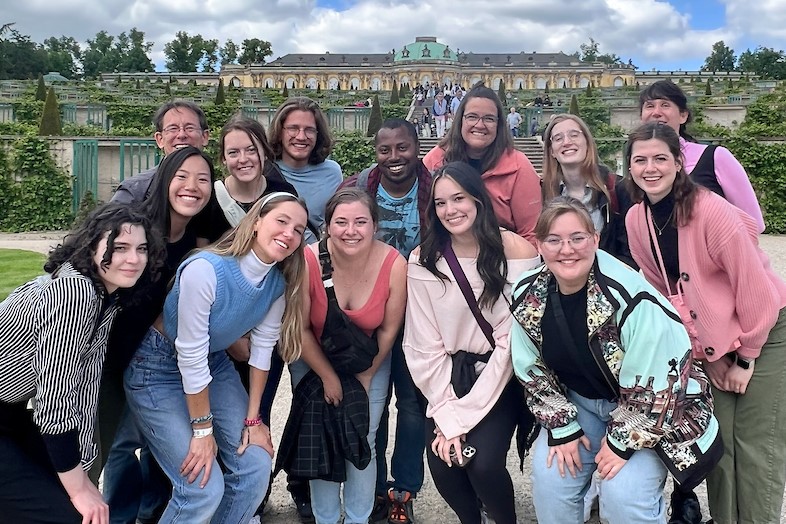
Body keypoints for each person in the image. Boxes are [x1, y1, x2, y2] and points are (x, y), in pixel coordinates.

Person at [509, 196, 721, 524]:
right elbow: (530, 367)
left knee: (624, 495)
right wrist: (561, 426)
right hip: (581, 404)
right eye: (554, 239)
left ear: (595, 239)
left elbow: (659, 380)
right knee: (551, 480)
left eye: (577, 238)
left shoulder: (632, 297)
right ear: (539, 244)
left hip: (650, 413)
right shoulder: (527, 293)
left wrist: (621, 441)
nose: (566, 249)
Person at [624, 122, 786, 524]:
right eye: (640, 160)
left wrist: (745, 359)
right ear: (628, 168)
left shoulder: (711, 210)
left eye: (661, 158)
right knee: (721, 448)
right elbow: (667, 295)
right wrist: (705, 353)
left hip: (764, 331)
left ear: (679, 163)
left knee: (755, 448)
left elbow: (756, 293)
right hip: (715, 339)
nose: (650, 168)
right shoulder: (636, 219)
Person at [124, 192, 309, 523]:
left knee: (254, 466)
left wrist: (254, 421)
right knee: (201, 486)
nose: (289, 234)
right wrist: (202, 431)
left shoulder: (277, 286)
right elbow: (190, 354)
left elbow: (263, 350)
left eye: (299, 229)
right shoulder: (205, 269)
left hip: (212, 362)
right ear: (255, 223)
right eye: (282, 221)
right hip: (156, 367)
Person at [0, 203, 165, 524]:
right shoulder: (75, 293)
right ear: (92, 247)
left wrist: (84, 469)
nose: (134, 259)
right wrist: (79, 490)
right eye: (119, 247)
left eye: (142, 248)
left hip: (10, 414)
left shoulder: (105, 296)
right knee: (64, 513)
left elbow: (85, 388)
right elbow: (54, 402)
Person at [403, 162, 539, 524]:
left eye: (459, 198)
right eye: (441, 203)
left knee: (482, 462)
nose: (451, 210)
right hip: (450, 376)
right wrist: (447, 412)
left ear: (478, 199)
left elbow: (512, 342)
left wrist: (461, 419)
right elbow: (421, 344)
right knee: (444, 464)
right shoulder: (424, 259)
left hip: (502, 376)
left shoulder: (518, 252)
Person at [277, 187, 407, 524]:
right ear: (328, 226)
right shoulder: (307, 259)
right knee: (321, 433)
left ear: (374, 225)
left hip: (369, 357)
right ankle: (325, 517)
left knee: (362, 436)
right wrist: (330, 378)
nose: (351, 231)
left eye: (361, 222)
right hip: (315, 355)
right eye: (342, 222)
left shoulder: (394, 264)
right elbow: (300, 327)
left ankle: (358, 517)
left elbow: (388, 330)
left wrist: (365, 377)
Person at [101, 146, 216, 524]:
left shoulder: (196, 234)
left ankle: (151, 513)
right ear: (165, 179)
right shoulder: (135, 228)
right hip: (107, 356)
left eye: (202, 179)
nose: (192, 187)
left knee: (153, 445)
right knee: (113, 447)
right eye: (182, 177)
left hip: (153, 359)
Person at [340, 119, 432, 524]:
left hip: (420, 317)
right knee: (372, 405)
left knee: (412, 405)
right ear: (375, 152)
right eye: (385, 149)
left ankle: (404, 488)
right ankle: (374, 488)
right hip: (372, 318)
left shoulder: (434, 190)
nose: (394, 157)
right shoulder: (359, 188)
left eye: (403, 148)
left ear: (417, 148)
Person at [266, 97, 344, 520]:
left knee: (304, 394)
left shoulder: (331, 173)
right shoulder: (264, 170)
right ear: (279, 131)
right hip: (263, 292)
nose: (301, 136)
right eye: (293, 128)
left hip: (305, 293)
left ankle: (301, 480)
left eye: (309, 129)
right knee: (254, 397)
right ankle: (253, 485)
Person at [638, 80, 764, 232]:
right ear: (641, 116)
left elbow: (753, 223)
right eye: (649, 106)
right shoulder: (638, 167)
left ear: (683, 116)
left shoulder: (715, 157)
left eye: (665, 105)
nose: (656, 112)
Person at [423, 84, 542, 243]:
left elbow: (531, 233)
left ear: (499, 124)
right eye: (472, 117)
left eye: (489, 119)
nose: (479, 125)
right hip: (447, 256)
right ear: (460, 120)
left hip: (505, 258)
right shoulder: (436, 160)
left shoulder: (518, 165)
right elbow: (424, 221)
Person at [541, 114, 635, 268]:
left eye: (574, 135)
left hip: (609, 282)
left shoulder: (619, 188)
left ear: (587, 142)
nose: (567, 142)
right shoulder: (543, 192)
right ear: (552, 151)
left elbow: (630, 252)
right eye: (558, 138)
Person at [206, 115, 297, 243]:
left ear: (265, 152)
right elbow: (201, 253)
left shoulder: (283, 193)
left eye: (251, 150)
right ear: (223, 159)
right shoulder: (209, 197)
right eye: (233, 152)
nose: (243, 159)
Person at [111, 100, 211, 204]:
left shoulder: (217, 192)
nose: (181, 135)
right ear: (160, 139)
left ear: (205, 137)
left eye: (190, 128)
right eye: (173, 129)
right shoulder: (134, 192)